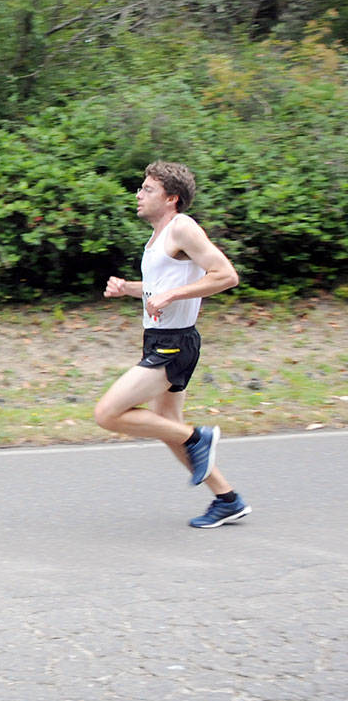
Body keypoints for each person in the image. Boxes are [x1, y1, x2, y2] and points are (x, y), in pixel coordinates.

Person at [94, 161, 249, 528]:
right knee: (166, 427)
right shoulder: (158, 238)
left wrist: (171, 295)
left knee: (108, 414)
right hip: (161, 339)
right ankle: (227, 499)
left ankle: (200, 437)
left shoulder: (182, 227)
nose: (139, 194)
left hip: (174, 344)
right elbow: (162, 289)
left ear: (171, 198)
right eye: (141, 188)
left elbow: (226, 275)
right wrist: (130, 289)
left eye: (148, 189)